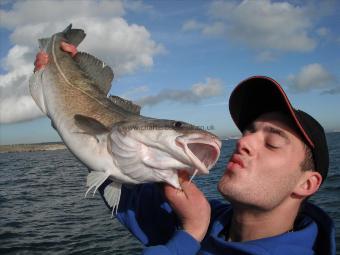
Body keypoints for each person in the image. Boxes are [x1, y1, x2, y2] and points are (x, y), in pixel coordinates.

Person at [34, 43, 335, 255]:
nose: (243, 142)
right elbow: (120, 176)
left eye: (271, 143)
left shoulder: (194, 222)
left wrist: (190, 235)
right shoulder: (205, 214)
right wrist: (61, 97)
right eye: (248, 132)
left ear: (307, 183)